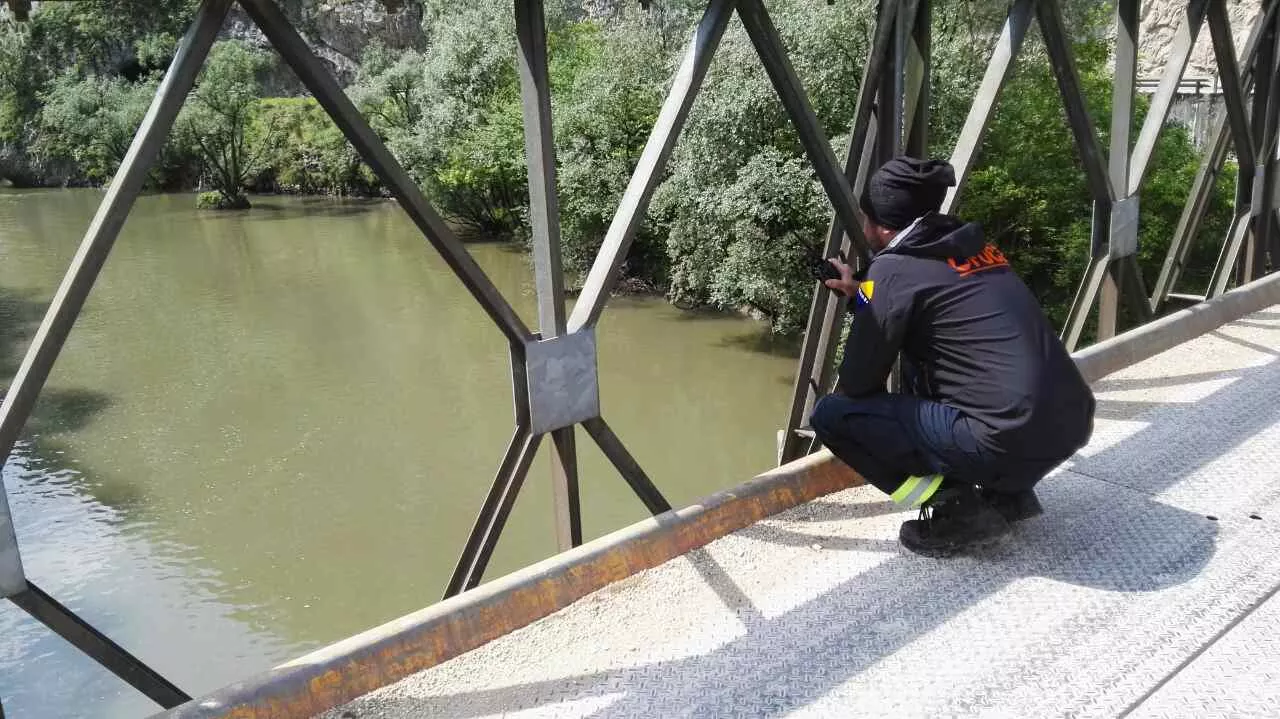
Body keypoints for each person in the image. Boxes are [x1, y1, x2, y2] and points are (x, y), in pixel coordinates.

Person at [811, 156, 1095, 558]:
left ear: (883, 225)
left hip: (1005, 441)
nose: (863, 224)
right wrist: (862, 295)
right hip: (1070, 423)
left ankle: (959, 511)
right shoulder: (975, 246)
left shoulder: (892, 270)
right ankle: (1010, 495)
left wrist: (873, 297)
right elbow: (937, 307)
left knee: (832, 415)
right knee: (942, 361)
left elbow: (859, 381)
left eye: (865, 216)